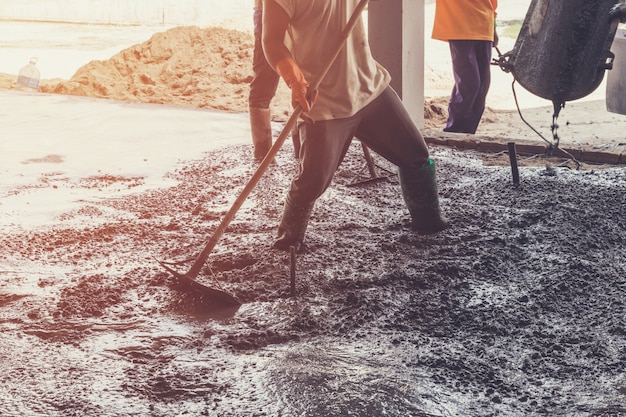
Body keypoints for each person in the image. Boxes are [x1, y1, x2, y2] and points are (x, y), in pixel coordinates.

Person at [262, 0, 449, 252]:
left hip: (369, 88)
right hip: (324, 101)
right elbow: (271, 41)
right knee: (313, 181)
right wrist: (294, 78)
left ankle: (429, 222)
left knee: (416, 155)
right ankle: (288, 242)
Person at [432, 0, 498, 134]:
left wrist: (494, 26)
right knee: (470, 84)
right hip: (459, 25)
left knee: (482, 87)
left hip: (485, 25)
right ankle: (454, 132)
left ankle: (468, 135)